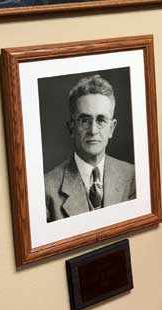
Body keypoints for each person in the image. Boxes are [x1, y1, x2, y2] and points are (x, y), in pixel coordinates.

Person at [44, 74, 136, 222]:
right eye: (85, 120)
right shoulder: (47, 189)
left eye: (101, 120)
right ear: (71, 128)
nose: (93, 130)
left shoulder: (132, 176)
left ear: (111, 128)